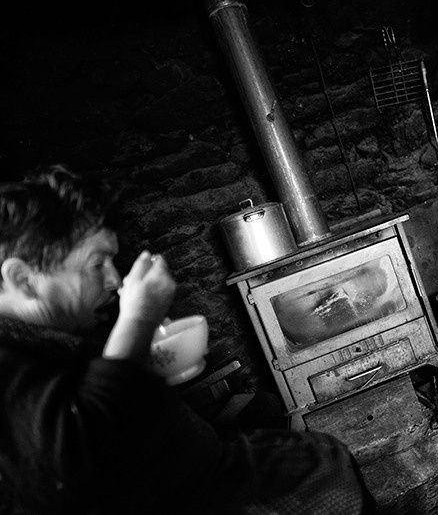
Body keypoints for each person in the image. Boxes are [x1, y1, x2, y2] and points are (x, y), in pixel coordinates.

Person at [0, 164, 377, 515]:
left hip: (211, 464)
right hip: (205, 495)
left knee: (321, 451)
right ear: (22, 279)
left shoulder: (46, 338)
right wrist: (138, 318)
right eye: (97, 264)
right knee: (328, 473)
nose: (115, 281)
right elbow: (78, 461)